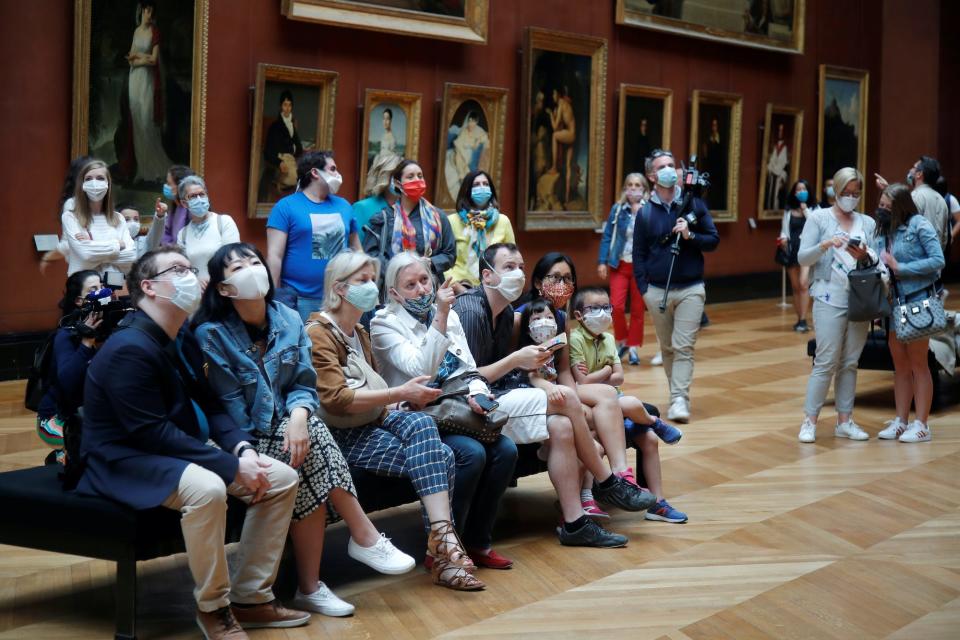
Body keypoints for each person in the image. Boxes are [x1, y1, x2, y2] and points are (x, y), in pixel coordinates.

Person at [76, 247, 310, 639]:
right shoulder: (129, 348)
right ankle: (213, 607)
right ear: (149, 287)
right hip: (123, 459)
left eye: (190, 268)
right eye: (178, 270)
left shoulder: (180, 335)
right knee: (207, 488)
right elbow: (150, 433)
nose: (190, 276)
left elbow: (211, 402)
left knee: (281, 478)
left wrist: (241, 449)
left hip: (171, 447)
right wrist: (230, 467)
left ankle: (250, 598)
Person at [195, 243, 415, 617]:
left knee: (308, 444)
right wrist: (294, 420)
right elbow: (234, 408)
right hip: (240, 438)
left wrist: (297, 416)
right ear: (223, 288)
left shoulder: (289, 318)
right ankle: (351, 548)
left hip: (293, 427)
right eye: (237, 267)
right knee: (310, 446)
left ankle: (318, 581)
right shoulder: (211, 334)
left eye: (254, 260)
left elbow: (302, 382)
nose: (251, 269)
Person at [454, 243, 653, 548]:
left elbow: (559, 370)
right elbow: (464, 379)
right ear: (487, 275)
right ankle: (609, 481)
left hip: (498, 396)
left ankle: (574, 524)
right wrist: (517, 361)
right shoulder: (472, 310)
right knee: (568, 400)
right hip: (468, 403)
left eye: (520, 266)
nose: (518, 273)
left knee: (562, 426)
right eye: (509, 267)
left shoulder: (506, 311)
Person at [307, 251, 484, 591]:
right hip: (342, 434)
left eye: (372, 280)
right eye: (363, 281)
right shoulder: (319, 332)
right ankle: (444, 553)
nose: (371, 288)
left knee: (421, 425)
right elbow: (336, 400)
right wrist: (399, 394)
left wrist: (401, 403)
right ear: (340, 289)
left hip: (374, 419)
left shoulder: (357, 330)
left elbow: (378, 390)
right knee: (444, 456)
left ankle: (443, 545)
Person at [370, 253, 518, 569]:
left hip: (455, 408)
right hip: (415, 416)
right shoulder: (384, 323)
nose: (422, 289)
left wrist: (479, 395)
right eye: (410, 285)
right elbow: (420, 368)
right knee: (471, 453)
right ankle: (444, 548)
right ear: (394, 293)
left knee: (506, 450)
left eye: (425, 280)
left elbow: (467, 368)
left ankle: (477, 542)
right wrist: (440, 314)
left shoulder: (447, 314)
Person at [519, 253, 644, 493]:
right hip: (532, 388)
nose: (562, 285)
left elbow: (563, 368)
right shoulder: (521, 315)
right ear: (537, 282)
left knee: (608, 395)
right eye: (555, 277)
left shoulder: (561, 317)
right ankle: (591, 491)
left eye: (567, 279)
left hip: (558, 386)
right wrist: (570, 400)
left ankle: (621, 475)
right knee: (593, 416)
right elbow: (517, 367)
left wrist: (572, 395)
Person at [567, 286, 687, 523]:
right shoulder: (575, 339)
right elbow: (583, 381)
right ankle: (654, 422)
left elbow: (619, 378)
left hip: (614, 402)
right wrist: (607, 369)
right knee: (630, 403)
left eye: (606, 308)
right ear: (579, 315)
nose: (602, 313)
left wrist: (603, 374)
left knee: (650, 439)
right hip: (596, 406)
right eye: (594, 308)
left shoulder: (609, 338)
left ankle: (658, 504)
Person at [634, 150, 720, 422]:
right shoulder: (646, 213)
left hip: (691, 287)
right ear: (652, 175)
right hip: (657, 290)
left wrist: (690, 234)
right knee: (668, 347)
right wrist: (644, 290)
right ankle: (676, 395)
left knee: (684, 346)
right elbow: (638, 254)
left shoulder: (694, 204)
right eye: (663, 166)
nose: (670, 170)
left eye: (672, 165)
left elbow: (713, 240)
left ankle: (680, 399)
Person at [796, 167, 877, 443]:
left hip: (859, 299)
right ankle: (809, 421)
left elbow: (875, 261)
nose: (851, 198)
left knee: (850, 362)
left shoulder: (867, 222)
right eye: (846, 193)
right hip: (829, 298)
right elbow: (803, 258)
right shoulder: (819, 218)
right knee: (826, 361)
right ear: (836, 192)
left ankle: (845, 420)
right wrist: (825, 244)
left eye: (856, 194)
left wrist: (865, 255)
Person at [874, 185, 945, 443]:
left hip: (917, 303)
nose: (881, 210)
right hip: (892, 306)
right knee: (900, 365)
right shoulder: (882, 230)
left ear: (900, 207)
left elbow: (938, 261)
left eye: (886, 207)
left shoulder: (919, 225)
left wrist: (901, 267)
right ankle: (901, 421)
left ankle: (922, 424)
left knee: (918, 364)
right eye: (880, 205)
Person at [266, 150, 360, 322]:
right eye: (332, 169)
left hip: (341, 296)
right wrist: (272, 297)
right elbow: (274, 256)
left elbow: (357, 251)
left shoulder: (344, 206)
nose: (338, 174)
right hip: (299, 299)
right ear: (315, 172)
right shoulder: (286, 207)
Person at [36, 271, 105, 464]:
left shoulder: (107, 328)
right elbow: (68, 381)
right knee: (91, 448)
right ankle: (61, 458)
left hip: (88, 413)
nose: (101, 292)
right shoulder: (65, 335)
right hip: (55, 419)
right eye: (93, 290)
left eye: (101, 286)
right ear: (79, 301)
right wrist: (86, 342)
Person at [362, 160, 456, 282]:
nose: (417, 180)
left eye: (420, 176)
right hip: (393, 287)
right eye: (410, 177)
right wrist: (398, 270)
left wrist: (431, 262)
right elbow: (371, 254)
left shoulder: (438, 217)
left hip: (430, 287)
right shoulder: (383, 218)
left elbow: (450, 254)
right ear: (398, 183)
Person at [149, 176, 241, 284]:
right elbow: (183, 267)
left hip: (223, 288)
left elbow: (233, 259)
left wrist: (213, 283)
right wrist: (196, 282)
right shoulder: (183, 234)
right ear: (184, 203)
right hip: (197, 291)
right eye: (192, 196)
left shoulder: (224, 222)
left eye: (202, 194)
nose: (199, 199)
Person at [598, 172, 648, 365]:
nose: (633, 188)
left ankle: (633, 347)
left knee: (637, 309)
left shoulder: (649, 209)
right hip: (619, 264)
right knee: (616, 307)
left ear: (644, 189)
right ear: (625, 188)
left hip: (641, 267)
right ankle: (623, 341)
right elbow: (607, 236)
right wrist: (602, 261)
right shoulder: (618, 209)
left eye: (637, 185)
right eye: (630, 184)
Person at [123, 1, 174, 183]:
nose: (148, 14)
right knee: (137, 123)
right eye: (146, 10)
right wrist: (137, 58)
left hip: (147, 80)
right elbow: (130, 58)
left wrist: (139, 58)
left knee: (146, 122)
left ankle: (156, 170)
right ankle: (142, 171)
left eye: (151, 11)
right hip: (134, 80)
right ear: (141, 11)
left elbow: (153, 60)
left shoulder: (155, 32)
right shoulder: (137, 31)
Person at [61, 159, 137, 276]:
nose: (94, 183)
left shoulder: (119, 218)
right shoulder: (70, 217)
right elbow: (85, 254)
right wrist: (117, 244)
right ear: (82, 185)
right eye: (88, 179)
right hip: (85, 287)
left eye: (100, 178)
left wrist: (92, 245)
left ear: (108, 184)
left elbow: (131, 256)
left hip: (115, 288)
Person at [446, 170, 515, 293]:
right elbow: (445, 259)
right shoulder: (452, 221)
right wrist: (457, 287)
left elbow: (513, 260)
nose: (482, 188)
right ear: (467, 190)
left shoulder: (503, 221)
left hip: (495, 289)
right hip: (460, 288)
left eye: (485, 184)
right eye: (476, 185)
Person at [877, 157, 949, 253]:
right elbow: (944, 237)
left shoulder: (915, 196)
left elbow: (903, 228)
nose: (910, 170)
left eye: (913, 167)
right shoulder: (941, 200)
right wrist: (889, 189)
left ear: (919, 174)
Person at [777, 180, 812, 332]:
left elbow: (815, 224)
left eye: (804, 189)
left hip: (807, 249)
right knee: (796, 286)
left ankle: (804, 319)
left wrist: (805, 210)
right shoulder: (788, 210)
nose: (801, 192)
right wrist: (783, 238)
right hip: (792, 250)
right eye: (798, 190)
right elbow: (784, 229)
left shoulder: (814, 208)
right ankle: (799, 318)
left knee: (804, 283)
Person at [260, 90, 304, 202]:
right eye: (285, 105)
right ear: (281, 106)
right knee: (293, 178)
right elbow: (268, 152)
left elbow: (299, 148)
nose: (287, 108)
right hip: (280, 161)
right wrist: (279, 163)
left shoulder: (292, 125)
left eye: (289, 105)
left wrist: (294, 151)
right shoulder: (275, 126)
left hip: (292, 160)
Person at [353, 153, 402, 244]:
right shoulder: (363, 207)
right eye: (396, 175)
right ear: (384, 177)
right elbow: (357, 248)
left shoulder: (408, 207)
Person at [444, 111, 490, 202]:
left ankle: (463, 175)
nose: (471, 123)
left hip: (470, 152)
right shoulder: (465, 130)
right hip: (462, 150)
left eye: (473, 121)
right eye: (469, 121)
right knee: (456, 154)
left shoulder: (479, 131)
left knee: (462, 155)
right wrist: (461, 147)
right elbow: (459, 142)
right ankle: (461, 175)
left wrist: (477, 142)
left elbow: (484, 139)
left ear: (476, 122)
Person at [161, 164, 196, 244]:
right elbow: (165, 233)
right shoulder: (175, 206)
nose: (166, 186)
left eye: (169, 184)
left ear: (180, 186)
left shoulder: (192, 209)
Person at [766, 123, 789, 210]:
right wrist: (770, 168)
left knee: (776, 195)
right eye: (779, 130)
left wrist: (775, 170)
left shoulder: (785, 147)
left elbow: (783, 162)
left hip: (779, 175)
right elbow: (772, 160)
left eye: (782, 130)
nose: (780, 132)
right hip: (773, 174)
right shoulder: (776, 146)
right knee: (770, 195)